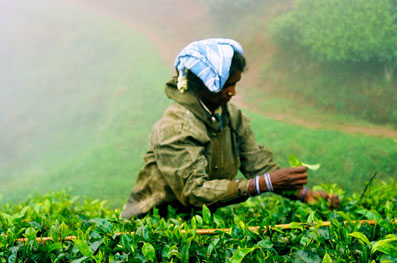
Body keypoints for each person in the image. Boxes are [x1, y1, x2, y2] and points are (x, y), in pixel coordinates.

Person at [121, 38, 339, 219]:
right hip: (153, 224)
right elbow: (194, 192)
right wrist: (259, 185)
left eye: (235, 84)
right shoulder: (176, 127)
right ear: (201, 84)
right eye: (226, 86)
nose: (232, 92)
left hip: (197, 220)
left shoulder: (231, 116)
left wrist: (304, 194)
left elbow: (256, 164)